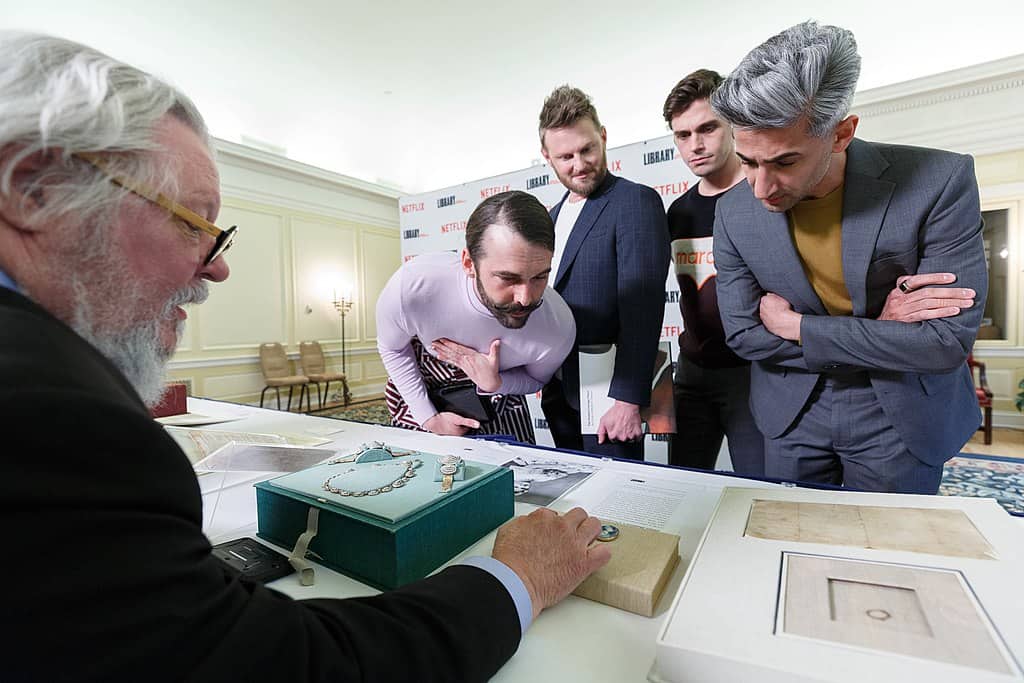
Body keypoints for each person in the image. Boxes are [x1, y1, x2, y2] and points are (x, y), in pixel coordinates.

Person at [0, 33, 609, 682]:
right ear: (34, 190)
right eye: (192, 223)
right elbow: (279, 664)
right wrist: (515, 577)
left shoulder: (558, 326)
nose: (218, 267)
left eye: (538, 279)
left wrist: (491, 383)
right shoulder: (59, 423)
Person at [710, 21, 987, 494]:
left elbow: (943, 343)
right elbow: (744, 335)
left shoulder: (940, 181)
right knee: (788, 536)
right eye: (748, 161)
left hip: (900, 410)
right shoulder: (732, 211)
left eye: (784, 161)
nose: (759, 188)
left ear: (841, 134)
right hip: (790, 411)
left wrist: (799, 327)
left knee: (889, 543)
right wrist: (881, 329)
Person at [377, 190, 575, 444]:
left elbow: (536, 379)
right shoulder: (413, 286)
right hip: (422, 400)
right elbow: (392, 348)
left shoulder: (558, 325)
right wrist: (428, 418)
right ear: (469, 263)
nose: (525, 298)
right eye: (508, 278)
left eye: (539, 277)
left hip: (502, 409)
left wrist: (497, 383)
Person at [538, 85, 671, 460]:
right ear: (547, 156)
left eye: (587, 149)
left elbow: (643, 309)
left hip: (610, 400)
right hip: (559, 392)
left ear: (604, 137)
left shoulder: (635, 201)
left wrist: (628, 400)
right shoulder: (549, 218)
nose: (579, 164)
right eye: (565, 156)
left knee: (613, 495)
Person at [661, 69, 765, 477]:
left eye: (707, 128)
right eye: (683, 135)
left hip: (755, 375)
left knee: (762, 492)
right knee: (683, 489)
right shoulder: (678, 212)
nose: (696, 145)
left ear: (733, 124)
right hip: (692, 374)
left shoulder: (764, 196)